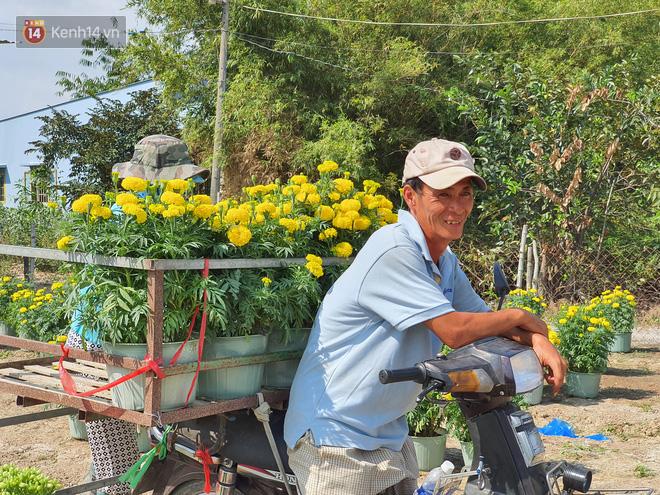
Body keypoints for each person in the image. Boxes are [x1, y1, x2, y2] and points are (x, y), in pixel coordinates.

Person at [283, 138, 567, 495]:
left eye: (465, 193)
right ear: (410, 196)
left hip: (388, 432)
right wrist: (524, 315)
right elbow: (455, 330)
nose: (457, 206)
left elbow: (487, 326)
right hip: (337, 438)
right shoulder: (395, 249)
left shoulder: (444, 262)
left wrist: (537, 339)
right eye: (443, 194)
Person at [67, 134, 209, 495]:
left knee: (130, 453)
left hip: (143, 347)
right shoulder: (123, 216)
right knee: (115, 462)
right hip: (97, 345)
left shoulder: (175, 217)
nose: (191, 188)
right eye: (184, 181)